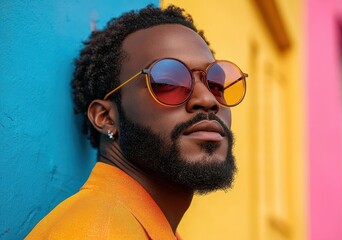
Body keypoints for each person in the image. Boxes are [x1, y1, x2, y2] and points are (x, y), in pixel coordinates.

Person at [26, 4, 247, 239]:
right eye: (169, 81)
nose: (207, 99)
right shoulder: (99, 231)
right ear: (106, 117)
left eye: (215, 83)